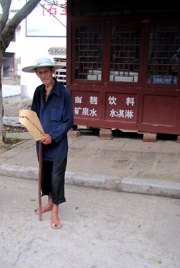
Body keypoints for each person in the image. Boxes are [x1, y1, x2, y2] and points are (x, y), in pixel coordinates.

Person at [22, 57, 74, 229]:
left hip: (58, 145)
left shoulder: (64, 92)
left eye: (45, 71)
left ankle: (55, 212)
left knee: (56, 178)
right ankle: (49, 203)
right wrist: (36, 132)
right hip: (41, 144)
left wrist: (53, 135)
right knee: (45, 175)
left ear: (53, 72)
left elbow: (68, 120)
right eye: (39, 72)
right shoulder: (38, 92)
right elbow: (34, 115)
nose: (42, 75)